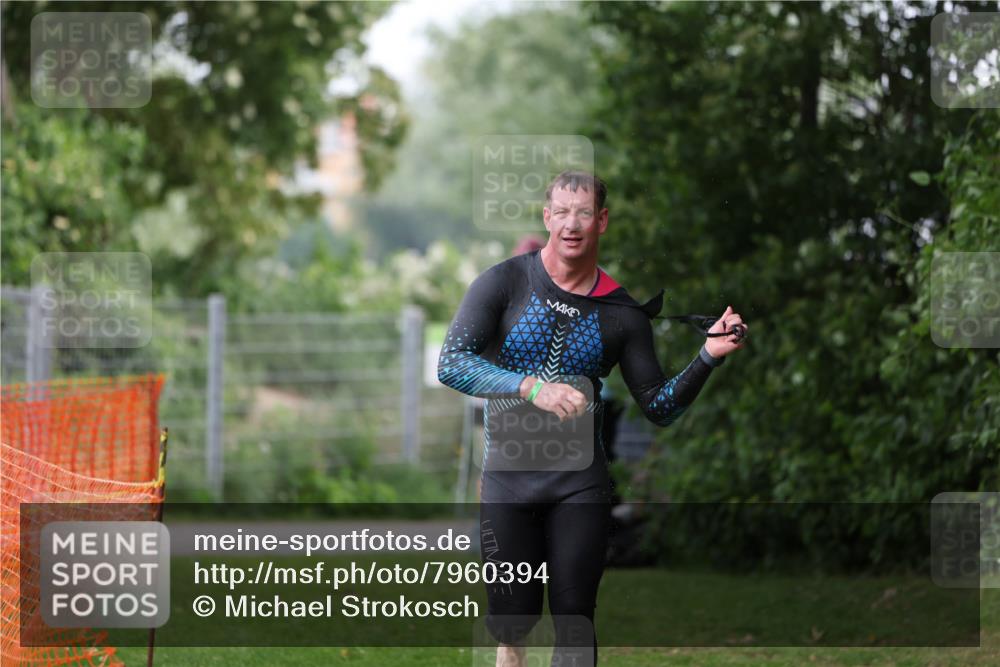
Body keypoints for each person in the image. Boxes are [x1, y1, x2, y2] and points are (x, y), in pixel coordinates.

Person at [437, 170, 746, 666]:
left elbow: (660, 407)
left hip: (580, 484)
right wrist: (529, 386)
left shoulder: (622, 314)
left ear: (601, 220)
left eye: (583, 213)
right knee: (511, 626)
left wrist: (708, 355)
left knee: (575, 618)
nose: (571, 224)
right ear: (547, 217)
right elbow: (451, 364)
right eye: (561, 212)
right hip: (508, 481)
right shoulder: (503, 283)